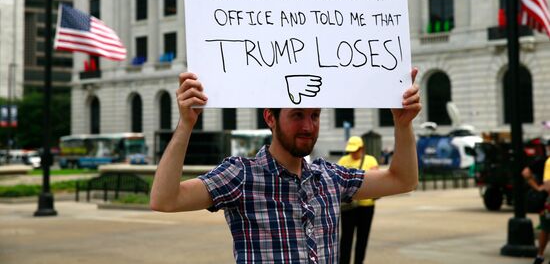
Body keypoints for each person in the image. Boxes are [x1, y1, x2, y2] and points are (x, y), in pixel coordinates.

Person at [150, 68, 421, 263]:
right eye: (297, 115)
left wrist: (403, 124)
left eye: (314, 115)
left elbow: (402, 180)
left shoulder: (329, 177)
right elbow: (165, 199)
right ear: (270, 118)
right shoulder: (241, 175)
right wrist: (186, 124)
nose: (308, 126)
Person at [337, 136, 379, 264]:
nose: (353, 153)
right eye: (351, 151)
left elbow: (376, 181)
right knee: (346, 238)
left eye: (355, 150)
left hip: (366, 206)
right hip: (348, 206)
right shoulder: (343, 160)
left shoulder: (371, 160)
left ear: (362, 148)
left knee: (362, 238)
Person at [523, 143, 550, 264]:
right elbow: (548, 185)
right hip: (547, 200)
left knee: (545, 228)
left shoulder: (543, 160)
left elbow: (526, 173)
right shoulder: (546, 161)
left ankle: (540, 255)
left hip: (545, 201)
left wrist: (537, 187)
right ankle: (540, 255)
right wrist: (539, 187)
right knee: (545, 228)